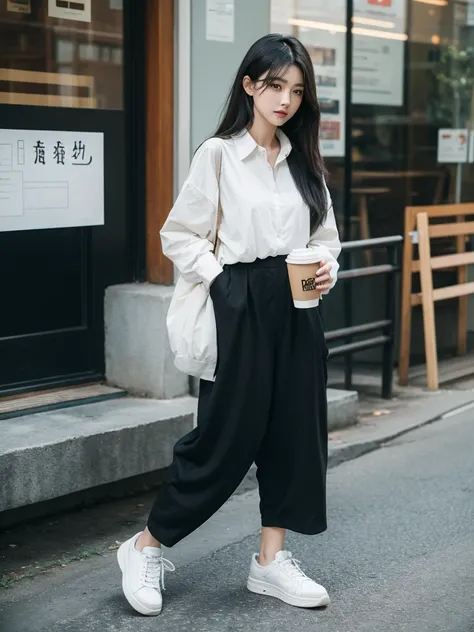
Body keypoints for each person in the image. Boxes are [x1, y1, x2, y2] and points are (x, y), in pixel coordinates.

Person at [117, 33, 341, 616]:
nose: (286, 100)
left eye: (296, 90)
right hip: (239, 301)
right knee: (224, 439)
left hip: (298, 307)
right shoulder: (218, 155)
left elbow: (325, 242)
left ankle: (270, 562)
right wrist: (221, 281)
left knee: (296, 437)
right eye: (274, 86)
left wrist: (326, 271)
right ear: (249, 85)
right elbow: (178, 235)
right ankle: (144, 546)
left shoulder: (305, 161)